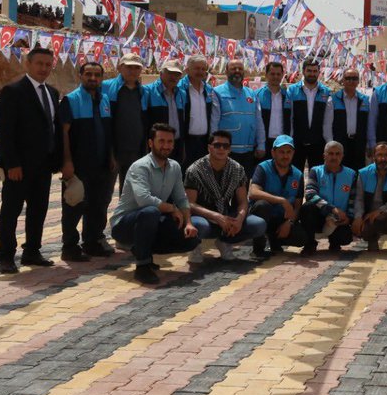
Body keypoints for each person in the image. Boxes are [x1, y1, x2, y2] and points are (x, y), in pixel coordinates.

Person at [0, 46, 62, 273]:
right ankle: (6, 256)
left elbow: (53, 128)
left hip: (44, 166)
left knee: (38, 210)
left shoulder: (52, 93)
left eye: (47, 64)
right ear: (28, 64)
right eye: (39, 63)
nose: (44, 68)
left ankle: (32, 251)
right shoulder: (13, 91)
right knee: (11, 211)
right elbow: (5, 132)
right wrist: (12, 163)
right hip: (19, 167)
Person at [110, 124, 200, 284]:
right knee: (150, 212)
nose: (166, 146)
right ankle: (142, 266)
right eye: (161, 141)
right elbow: (144, 199)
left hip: (151, 220)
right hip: (125, 225)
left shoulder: (174, 167)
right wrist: (172, 209)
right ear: (151, 143)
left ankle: (143, 250)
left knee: (190, 239)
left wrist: (188, 223)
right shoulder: (140, 167)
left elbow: (181, 198)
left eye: (170, 142)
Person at [58, 61, 116, 262]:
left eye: (97, 75)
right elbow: (63, 134)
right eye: (88, 74)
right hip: (79, 165)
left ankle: (92, 242)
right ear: (81, 76)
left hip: (101, 164)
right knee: (74, 205)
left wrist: (111, 156)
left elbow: (109, 132)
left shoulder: (105, 99)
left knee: (98, 205)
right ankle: (69, 246)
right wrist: (66, 162)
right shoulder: (70, 100)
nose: (93, 78)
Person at [185, 129, 267, 262]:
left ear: (230, 149)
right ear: (209, 148)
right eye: (217, 145)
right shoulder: (195, 170)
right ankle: (195, 246)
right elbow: (189, 203)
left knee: (258, 225)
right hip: (203, 217)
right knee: (200, 226)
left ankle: (224, 241)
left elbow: (242, 201)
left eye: (226, 146)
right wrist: (216, 217)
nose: (221, 149)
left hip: (226, 213)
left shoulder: (237, 169)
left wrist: (239, 219)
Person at [248, 134, 310, 259]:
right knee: (262, 205)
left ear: (293, 153)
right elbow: (253, 192)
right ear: (273, 152)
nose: (285, 156)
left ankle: (276, 241)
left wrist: (289, 222)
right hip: (262, 215)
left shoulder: (298, 175)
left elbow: (297, 206)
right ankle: (257, 249)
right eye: (281, 152)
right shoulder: (263, 168)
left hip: (281, 219)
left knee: (301, 237)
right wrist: (282, 201)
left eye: (289, 152)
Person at [211, 58, 266, 178]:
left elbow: (258, 121)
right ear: (226, 71)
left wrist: (261, 144)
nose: (237, 71)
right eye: (233, 68)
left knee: (243, 188)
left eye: (240, 69)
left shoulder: (252, 94)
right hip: (226, 151)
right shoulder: (217, 92)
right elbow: (214, 122)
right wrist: (214, 145)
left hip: (248, 151)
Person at [302, 141, 359, 253]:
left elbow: (353, 200)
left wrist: (349, 218)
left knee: (345, 237)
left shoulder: (351, 174)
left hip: (338, 220)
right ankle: (310, 243)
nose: (334, 157)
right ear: (324, 155)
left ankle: (334, 242)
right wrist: (332, 209)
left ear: (342, 156)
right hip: (319, 216)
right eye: (331, 153)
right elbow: (310, 194)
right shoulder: (315, 171)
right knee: (307, 207)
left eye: (338, 154)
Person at [103, 54, 146, 192]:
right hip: (111, 150)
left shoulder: (143, 91)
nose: (133, 71)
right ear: (120, 67)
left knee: (129, 193)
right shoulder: (105, 87)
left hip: (135, 150)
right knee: (104, 193)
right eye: (129, 67)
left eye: (136, 67)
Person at [142, 60, 189, 166]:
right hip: (157, 146)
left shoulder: (182, 94)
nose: (173, 77)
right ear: (161, 73)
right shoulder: (147, 91)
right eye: (170, 73)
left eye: (177, 74)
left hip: (176, 145)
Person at [291, 57, 333, 172]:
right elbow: (290, 117)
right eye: (309, 71)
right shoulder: (292, 91)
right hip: (297, 141)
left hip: (318, 142)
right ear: (303, 71)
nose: (312, 74)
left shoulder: (326, 92)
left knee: (317, 176)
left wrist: (329, 142)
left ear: (319, 72)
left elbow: (328, 121)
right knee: (295, 176)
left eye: (315, 71)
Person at [178, 55, 215, 171]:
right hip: (186, 142)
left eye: (203, 69)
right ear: (187, 69)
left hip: (204, 142)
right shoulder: (179, 89)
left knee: (202, 176)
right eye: (197, 68)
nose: (200, 72)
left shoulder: (209, 90)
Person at [256, 61, 292, 154]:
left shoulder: (288, 96)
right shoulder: (257, 95)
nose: (275, 77)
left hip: (283, 142)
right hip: (263, 142)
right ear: (266, 75)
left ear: (282, 75)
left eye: (278, 74)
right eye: (272, 74)